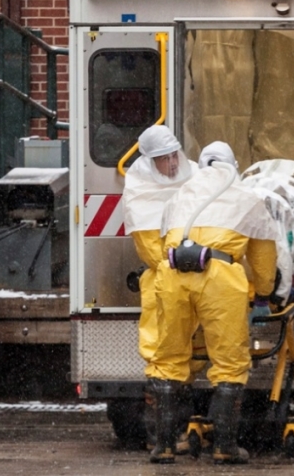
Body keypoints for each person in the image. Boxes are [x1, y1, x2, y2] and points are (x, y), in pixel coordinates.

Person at [146, 141, 280, 465]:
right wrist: (264, 292)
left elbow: (165, 243)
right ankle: (224, 447)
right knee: (229, 362)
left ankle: (163, 446)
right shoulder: (248, 199)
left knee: (168, 359)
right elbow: (263, 261)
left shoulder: (180, 195)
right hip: (218, 276)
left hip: (173, 272)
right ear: (233, 166)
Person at [122, 125, 197, 452]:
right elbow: (150, 248)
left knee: (197, 355)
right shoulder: (141, 189)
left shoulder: (192, 176)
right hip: (165, 278)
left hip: (194, 273)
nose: (172, 163)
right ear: (151, 161)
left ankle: (182, 430)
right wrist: (179, 262)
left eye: (173, 156)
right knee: (163, 354)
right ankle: (162, 436)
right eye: (164, 159)